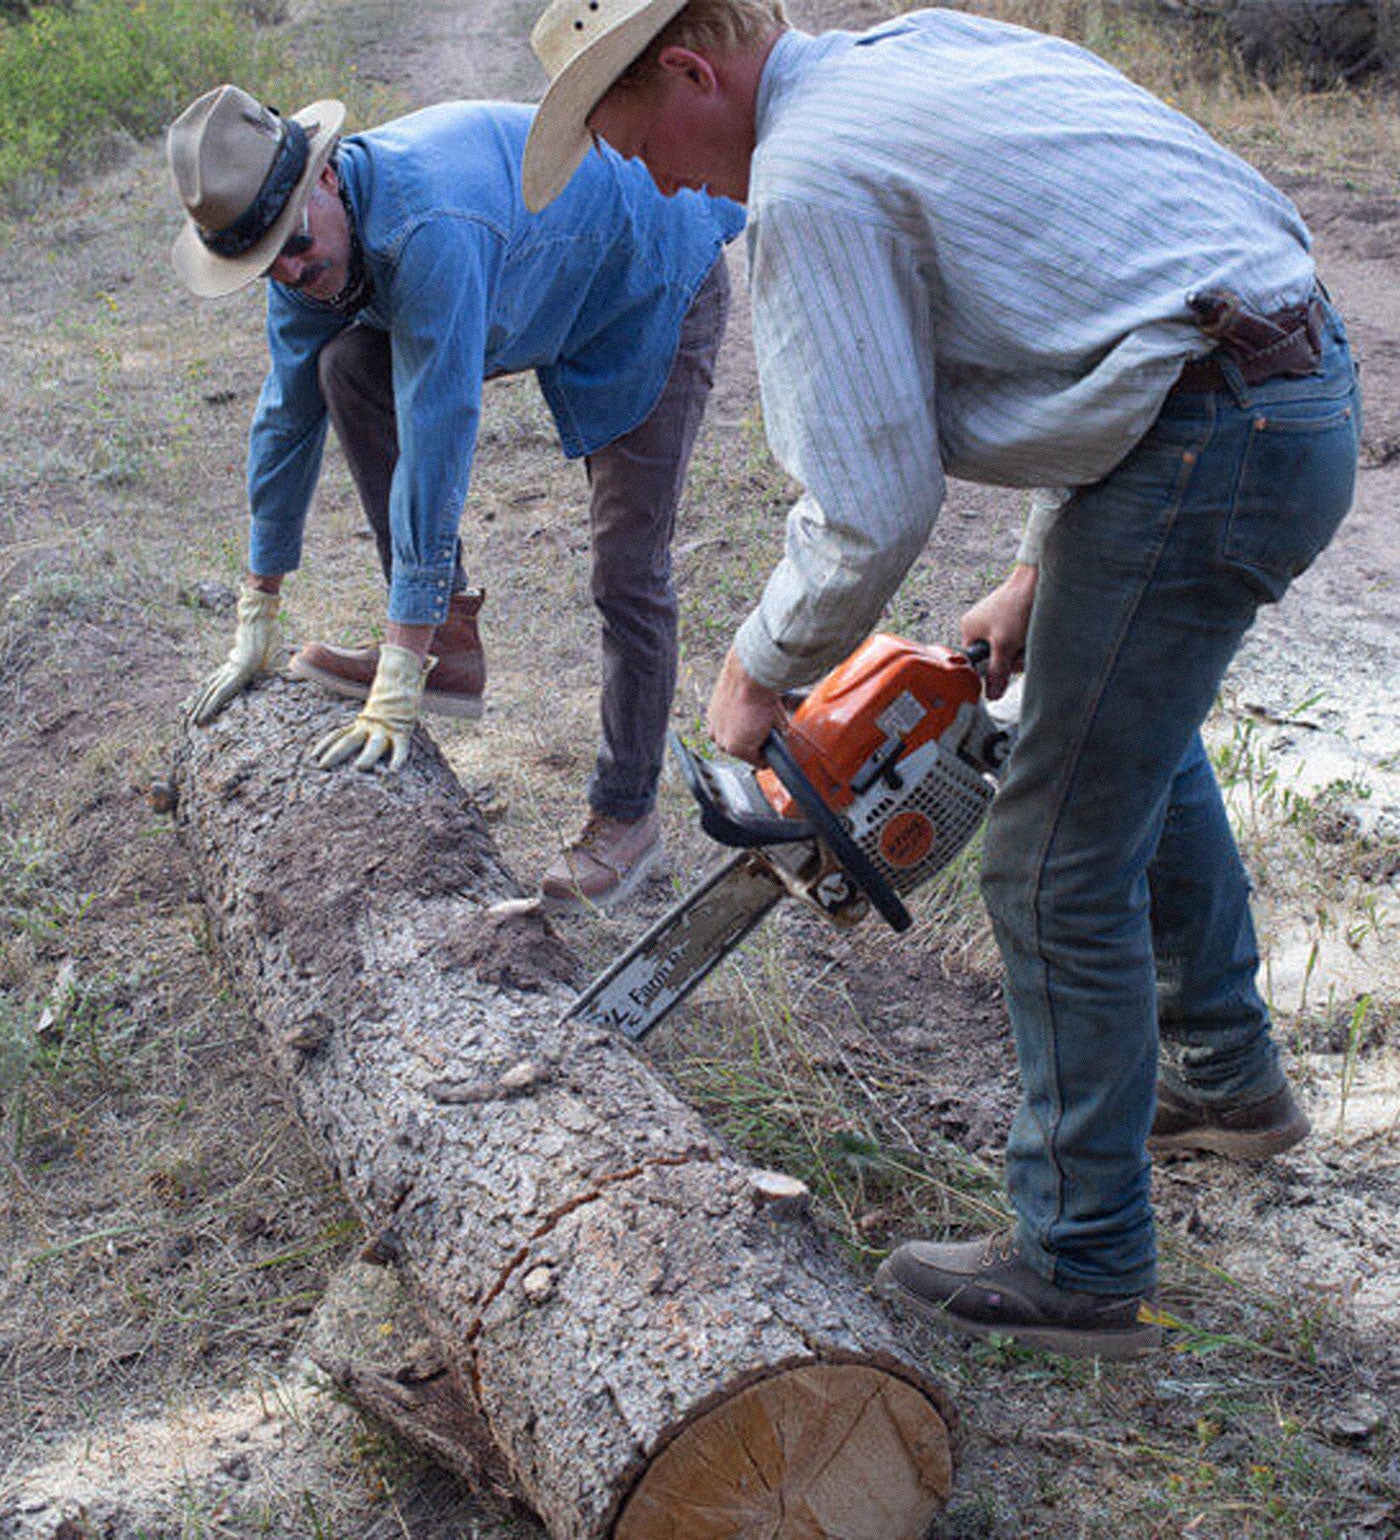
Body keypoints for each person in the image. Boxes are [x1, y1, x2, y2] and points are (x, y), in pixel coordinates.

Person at [522, 0, 1362, 1356]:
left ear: (690, 70)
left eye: (643, 145)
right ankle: (1224, 1074)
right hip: (1279, 381)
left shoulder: (808, 177)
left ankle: (1083, 1257)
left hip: (1214, 439)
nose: (664, 181)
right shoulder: (920, 48)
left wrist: (756, 675)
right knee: (1117, 735)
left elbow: (868, 506)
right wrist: (1043, 576)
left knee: (1045, 855)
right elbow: (1139, 274)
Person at [168, 84, 742, 908]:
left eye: (295, 246)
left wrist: (395, 673)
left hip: (646, 274)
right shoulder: (298, 257)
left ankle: (627, 816)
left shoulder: (429, 226)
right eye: (266, 265)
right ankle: (449, 644)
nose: (292, 273)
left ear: (325, 177)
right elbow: (284, 421)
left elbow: (440, 439)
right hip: (536, 278)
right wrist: (256, 610)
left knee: (627, 570)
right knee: (343, 369)